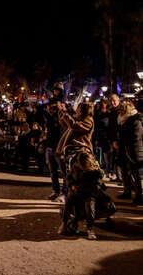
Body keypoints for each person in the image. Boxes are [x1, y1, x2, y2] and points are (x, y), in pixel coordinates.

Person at [56, 102, 104, 240]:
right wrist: (62, 113)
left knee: (89, 201)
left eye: (78, 109)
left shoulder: (88, 121)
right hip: (73, 152)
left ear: (82, 110)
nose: (76, 111)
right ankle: (65, 223)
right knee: (71, 195)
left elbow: (75, 126)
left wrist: (90, 187)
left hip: (82, 151)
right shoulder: (79, 119)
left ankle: (90, 228)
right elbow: (65, 123)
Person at [116, 101, 143, 205]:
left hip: (134, 150)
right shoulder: (123, 120)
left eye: (122, 110)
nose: (120, 112)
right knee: (125, 172)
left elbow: (137, 136)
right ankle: (127, 192)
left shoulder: (136, 120)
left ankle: (138, 196)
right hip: (124, 150)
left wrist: (123, 140)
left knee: (135, 174)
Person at [44, 102, 67, 201]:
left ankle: (65, 193)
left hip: (59, 148)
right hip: (50, 147)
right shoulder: (49, 118)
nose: (49, 109)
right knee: (53, 171)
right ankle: (55, 190)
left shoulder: (61, 119)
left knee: (64, 172)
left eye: (52, 108)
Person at [93, 100, 113, 178]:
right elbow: (96, 126)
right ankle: (103, 169)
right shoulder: (97, 114)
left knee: (108, 155)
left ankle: (108, 170)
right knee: (102, 155)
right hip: (100, 137)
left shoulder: (109, 114)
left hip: (107, 137)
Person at [108, 94, 121, 182]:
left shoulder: (120, 111)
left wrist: (115, 140)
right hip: (114, 138)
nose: (112, 103)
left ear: (118, 100)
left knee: (120, 159)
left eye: (114, 101)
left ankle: (121, 178)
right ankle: (119, 176)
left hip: (119, 138)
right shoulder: (112, 111)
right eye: (111, 101)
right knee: (116, 158)